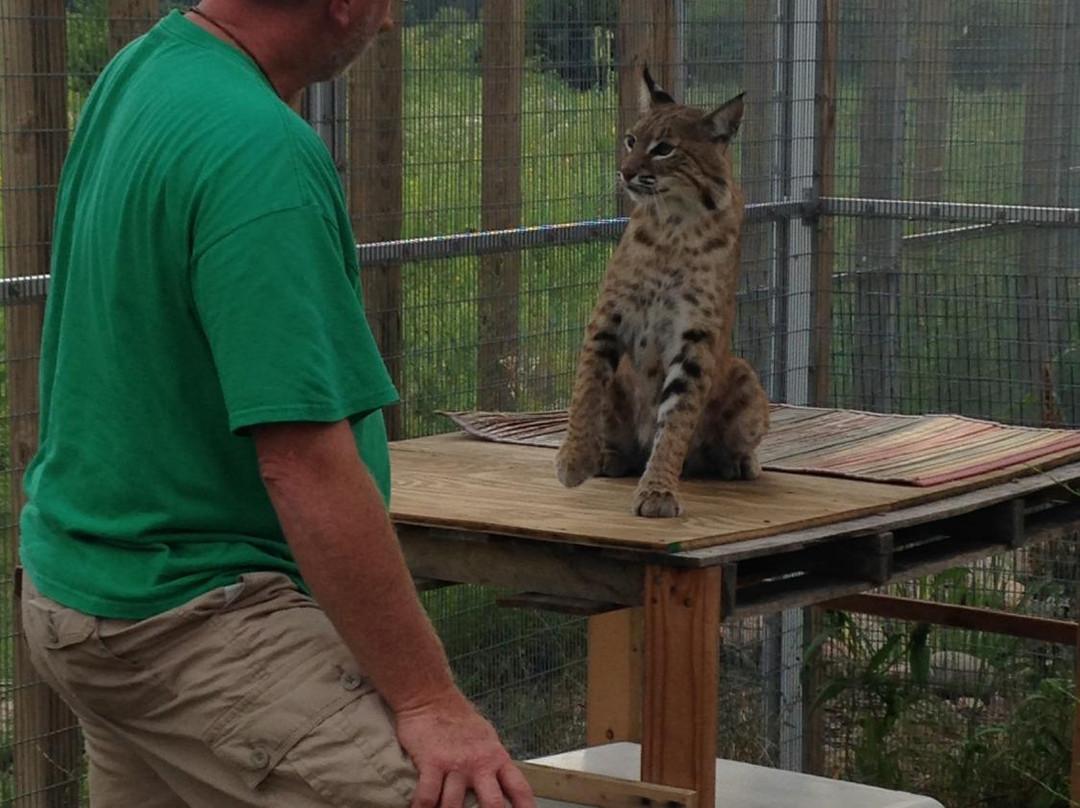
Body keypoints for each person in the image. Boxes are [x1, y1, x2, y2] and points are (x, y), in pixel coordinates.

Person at [16, 2, 537, 807]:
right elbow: (302, 463)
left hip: (83, 589)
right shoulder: (263, 150)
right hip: (191, 613)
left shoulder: (146, 68)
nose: (392, 21)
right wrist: (432, 703)